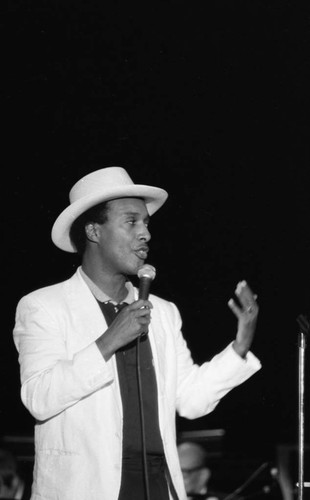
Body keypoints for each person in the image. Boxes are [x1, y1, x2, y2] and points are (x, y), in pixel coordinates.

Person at [13, 166, 261, 500]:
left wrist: (241, 342)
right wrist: (109, 340)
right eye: (131, 222)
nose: (145, 234)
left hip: (159, 485)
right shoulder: (44, 306)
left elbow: (189, 400)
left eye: (146, 223)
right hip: (87, 487)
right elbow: (39, 398)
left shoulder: (164, 312)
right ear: (94, 231)